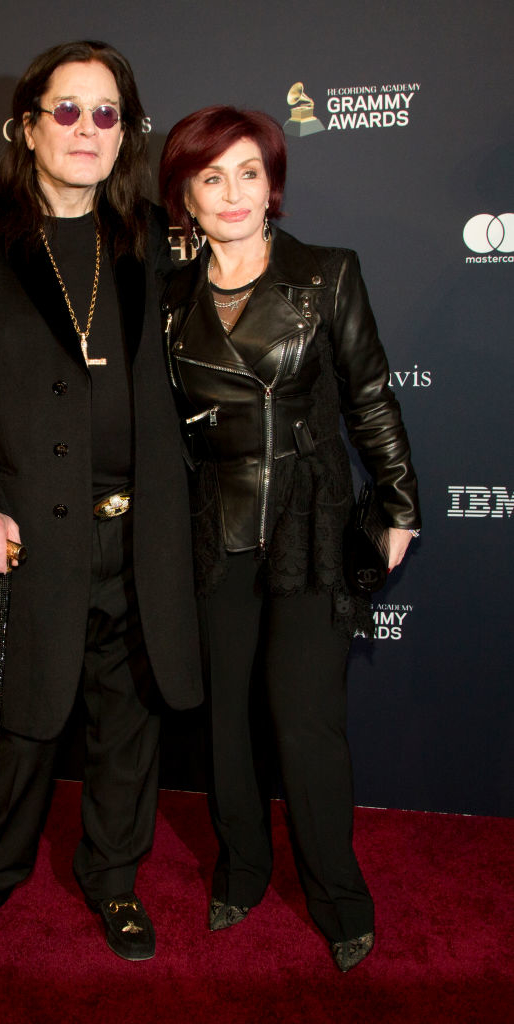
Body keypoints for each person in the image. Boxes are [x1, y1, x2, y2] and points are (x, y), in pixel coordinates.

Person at [0, 40, 202, 963]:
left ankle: (112, 877)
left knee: (128, 724)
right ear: (27, 125)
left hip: (143, 530)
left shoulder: (155, 236)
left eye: (107, 112)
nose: (86, 128)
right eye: (66, 109)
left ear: (128, 132)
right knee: (16, 719)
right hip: (28, 530)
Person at [158, 106, 420, 971]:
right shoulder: (164, 299)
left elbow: (370, 396)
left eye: (247, 173)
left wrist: (399, 506)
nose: (232, 194)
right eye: (210, 177)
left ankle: (338, 895)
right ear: (184, 198)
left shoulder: (326, 274)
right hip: (213, 526)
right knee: (226, 722)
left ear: (272, 183)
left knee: (304, 723)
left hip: (308, 520)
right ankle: (238, 868)